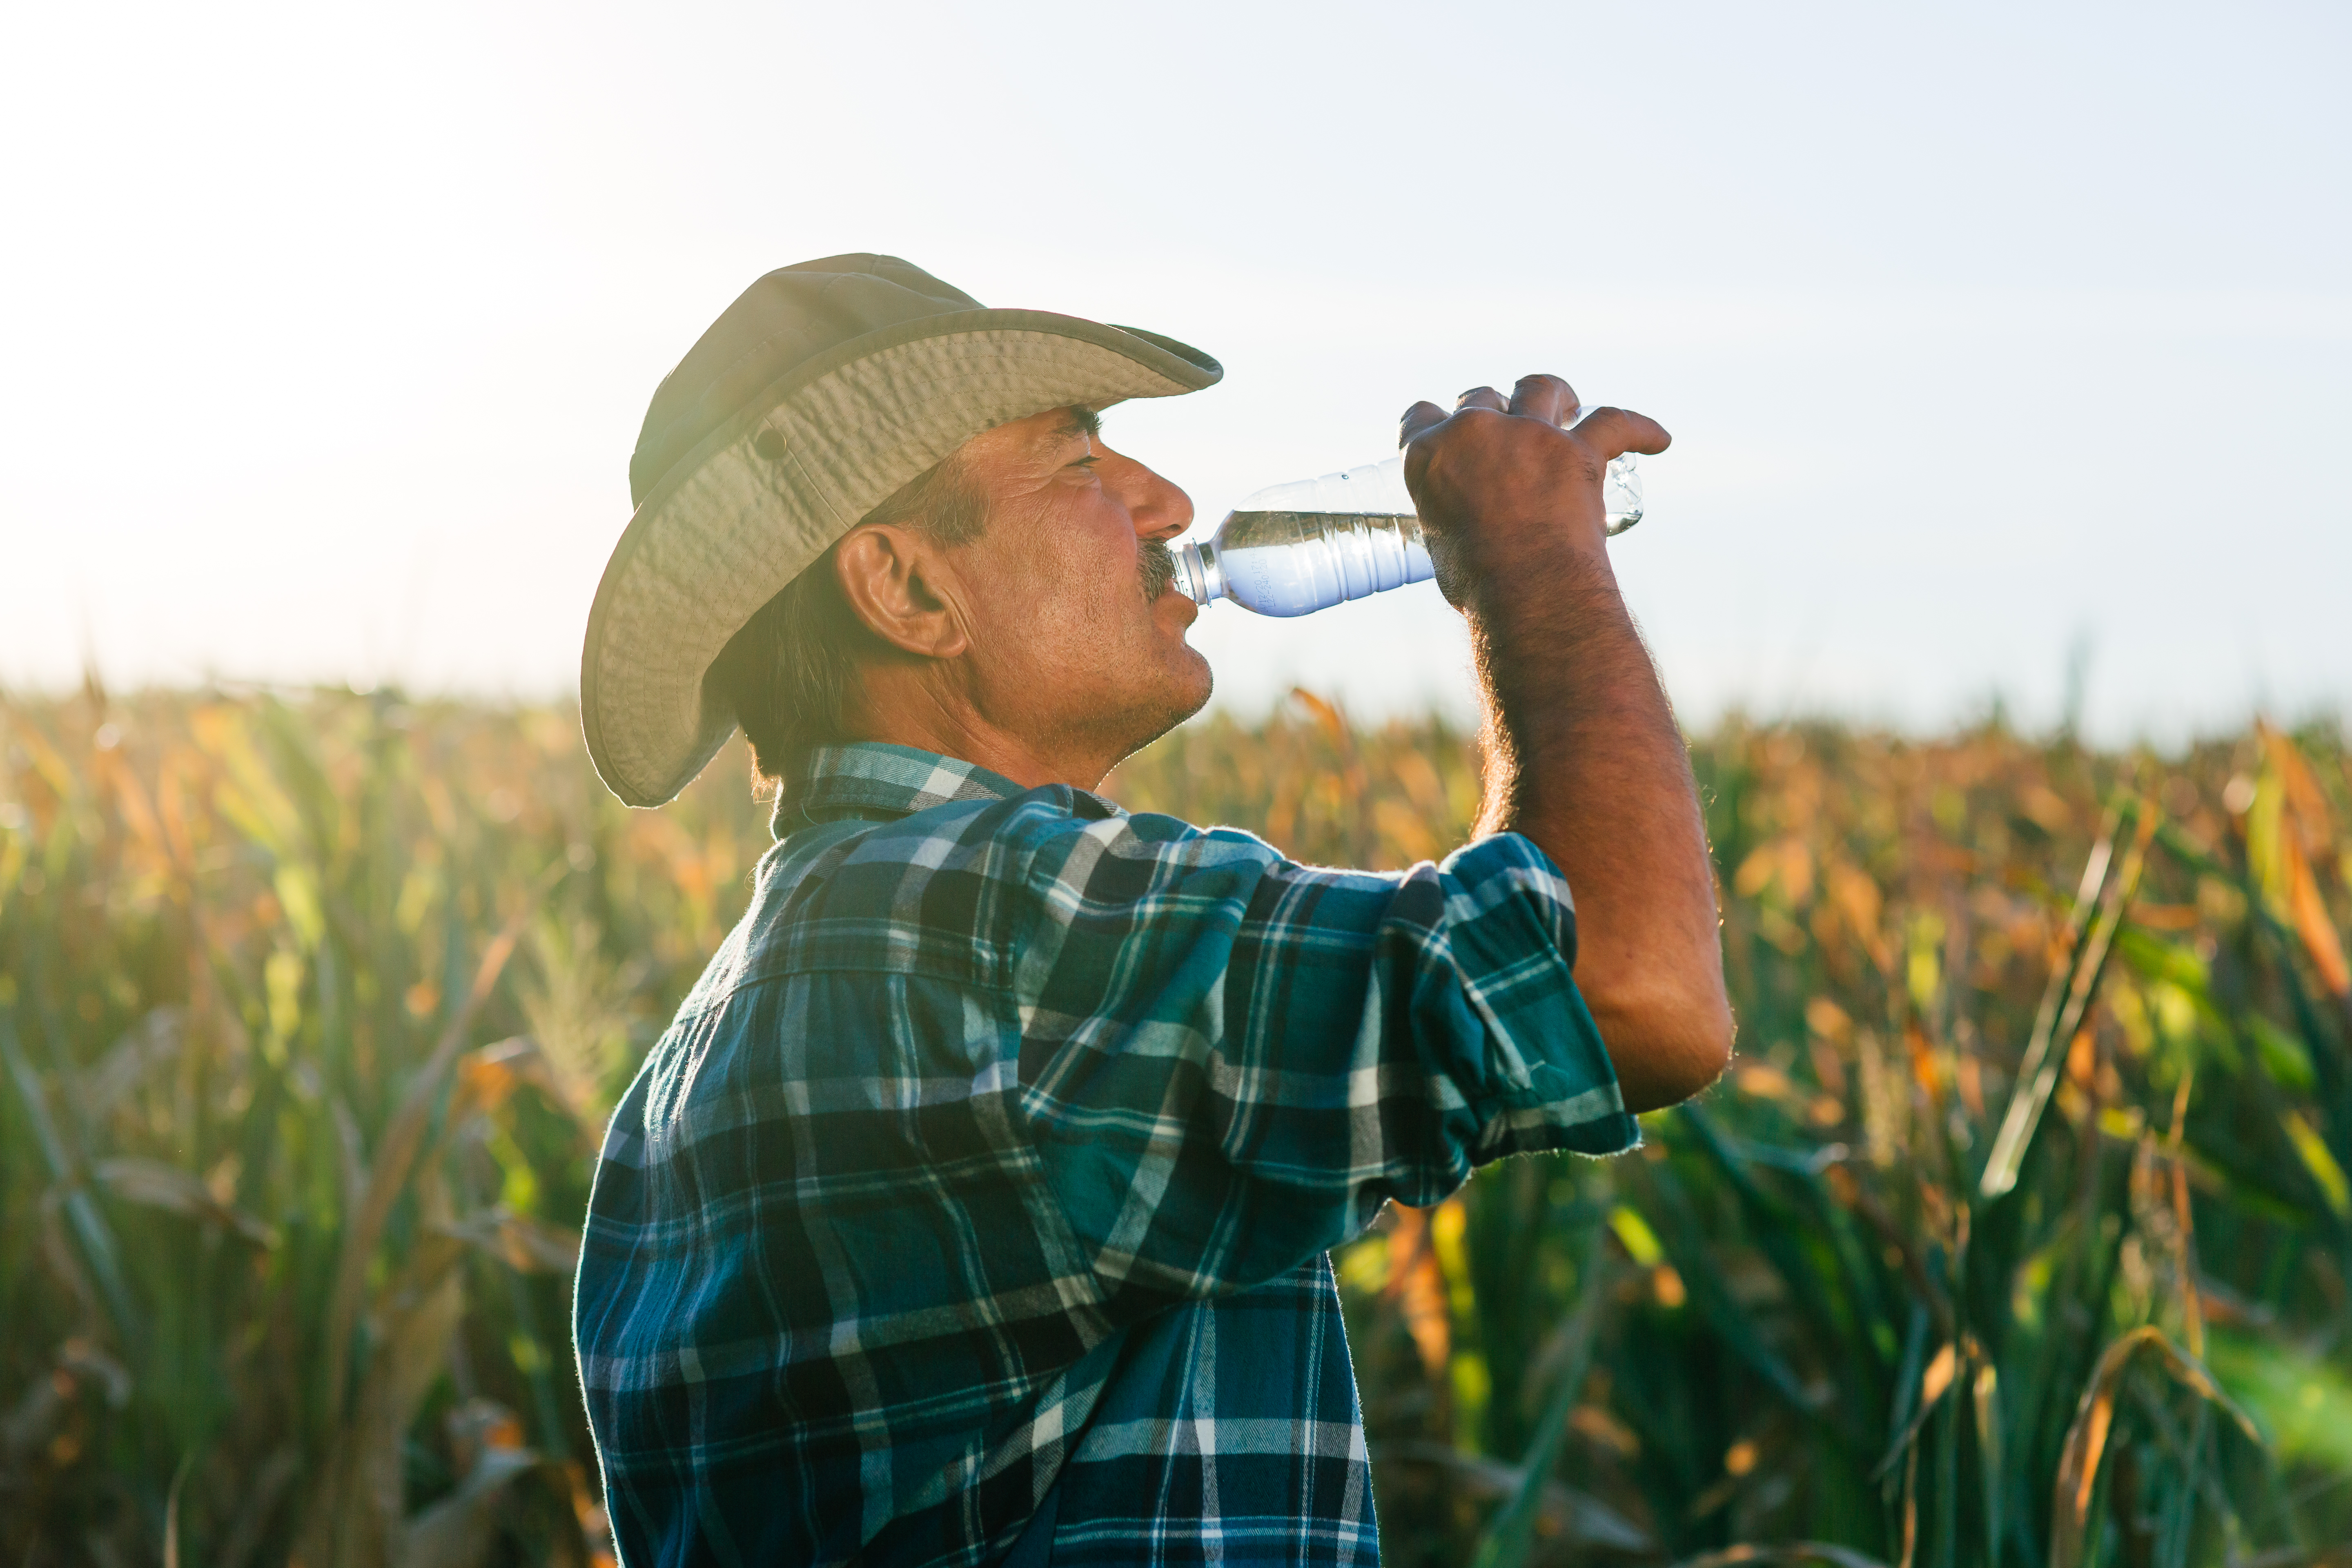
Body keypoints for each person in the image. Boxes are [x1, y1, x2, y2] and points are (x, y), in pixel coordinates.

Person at [571, 254, 1732, 1568]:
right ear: (906, 592)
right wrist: (1536, 567)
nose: (1167, 502)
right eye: (1075, 465)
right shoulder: (1000, 921)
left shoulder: (672, 1091)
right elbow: (1630, 988)